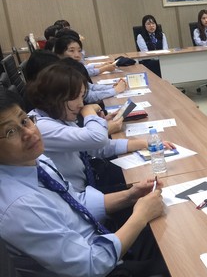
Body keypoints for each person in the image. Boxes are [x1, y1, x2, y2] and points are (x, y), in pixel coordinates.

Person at [0, 87, 173, 277]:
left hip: (97, 243)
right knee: (177, 263)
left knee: (169, 228)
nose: (29, 133)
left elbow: (77, 203)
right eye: (10, 132)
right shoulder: (20, 206)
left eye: (24, 121)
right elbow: (91, 266)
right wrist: (140, 216)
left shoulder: (35, 161)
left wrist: (130, 196)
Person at [26, 63, 165, 193]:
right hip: (79, 194)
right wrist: (89, 111)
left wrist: (144, 143)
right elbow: (97, 138)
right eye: (76, 98)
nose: (81, 104)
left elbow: (97, 147)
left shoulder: (58, 116)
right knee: (150, 188)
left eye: (82, 97)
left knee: (148, 179)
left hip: (91, 180)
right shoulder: (40, 127)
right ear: (55, 98)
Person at [51, 31, 127, 102]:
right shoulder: (61, 74)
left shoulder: (74, 67)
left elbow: (88, 87)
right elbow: (88, 96)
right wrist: (115, 90)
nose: (77, 55)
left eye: (79, 51)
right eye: (71, 51)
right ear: (59, 54)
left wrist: (112, 86)